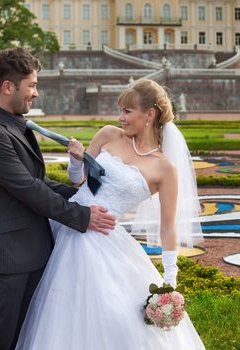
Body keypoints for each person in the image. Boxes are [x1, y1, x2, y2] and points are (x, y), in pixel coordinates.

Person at [15, 78, 206, 349]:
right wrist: (75, 159)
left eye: (127, 111)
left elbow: (168, 227)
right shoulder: (108, 134)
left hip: (104, 238)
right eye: (121, 111)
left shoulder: (164, 169)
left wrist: (169, 281)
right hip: (68, 222)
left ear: (149, 114)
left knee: (108, 311)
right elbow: (78, 181)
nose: (121, 117)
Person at [0, 47, 115, 350]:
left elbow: (38, 181)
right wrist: (83, 217)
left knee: (24, 337)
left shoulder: (9, 123)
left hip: (32, 250)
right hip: (8, 257)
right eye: (31, 85)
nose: (35, 93)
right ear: (8, 87)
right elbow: (29, 191)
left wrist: (82, 197)